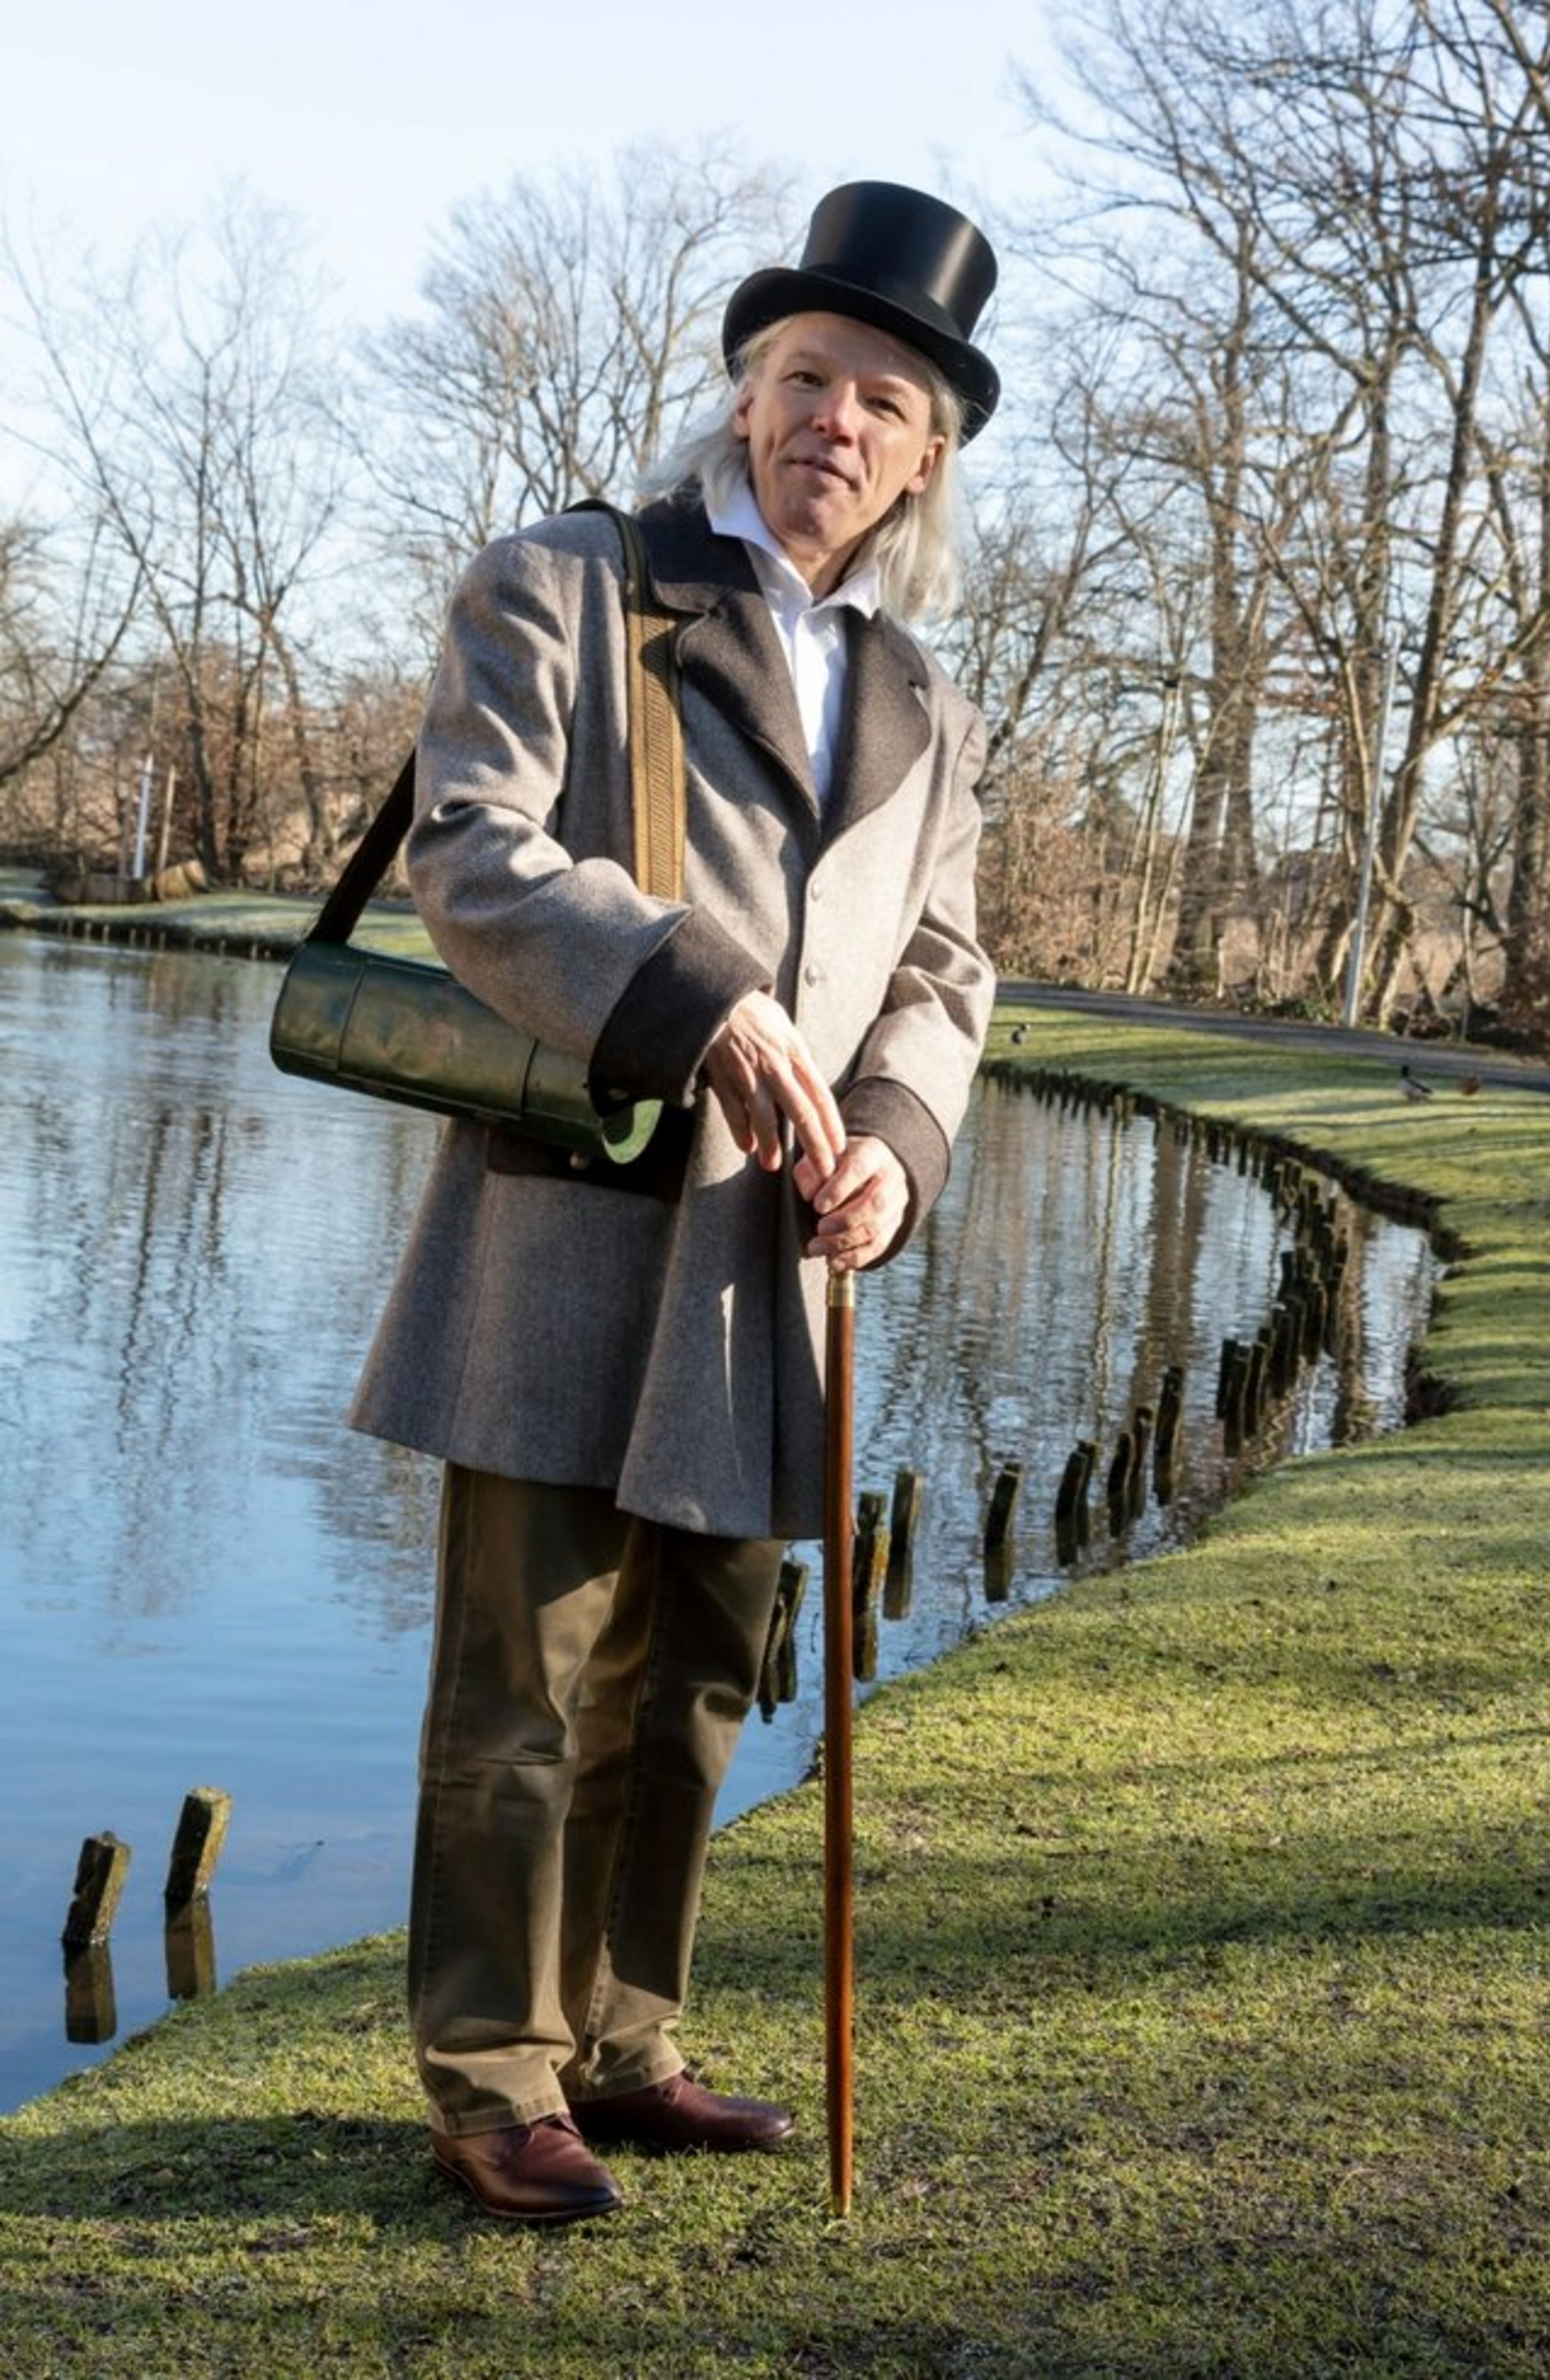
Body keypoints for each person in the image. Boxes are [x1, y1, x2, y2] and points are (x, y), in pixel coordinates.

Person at [350, 181, 1000, 2224]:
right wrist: (699, 1001)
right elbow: (471, 853)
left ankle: (626, 2046)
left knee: (701, 1675)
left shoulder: (926, 697)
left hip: (776, 1257)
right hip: (570, 1211)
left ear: (920, 456)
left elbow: (949, 970)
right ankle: (490, 2078)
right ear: (744, 393)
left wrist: (892, 1135)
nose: (833, 416)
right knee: (522, 1681)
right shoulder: (567, 584)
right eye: (804, 374)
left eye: (878, 397)